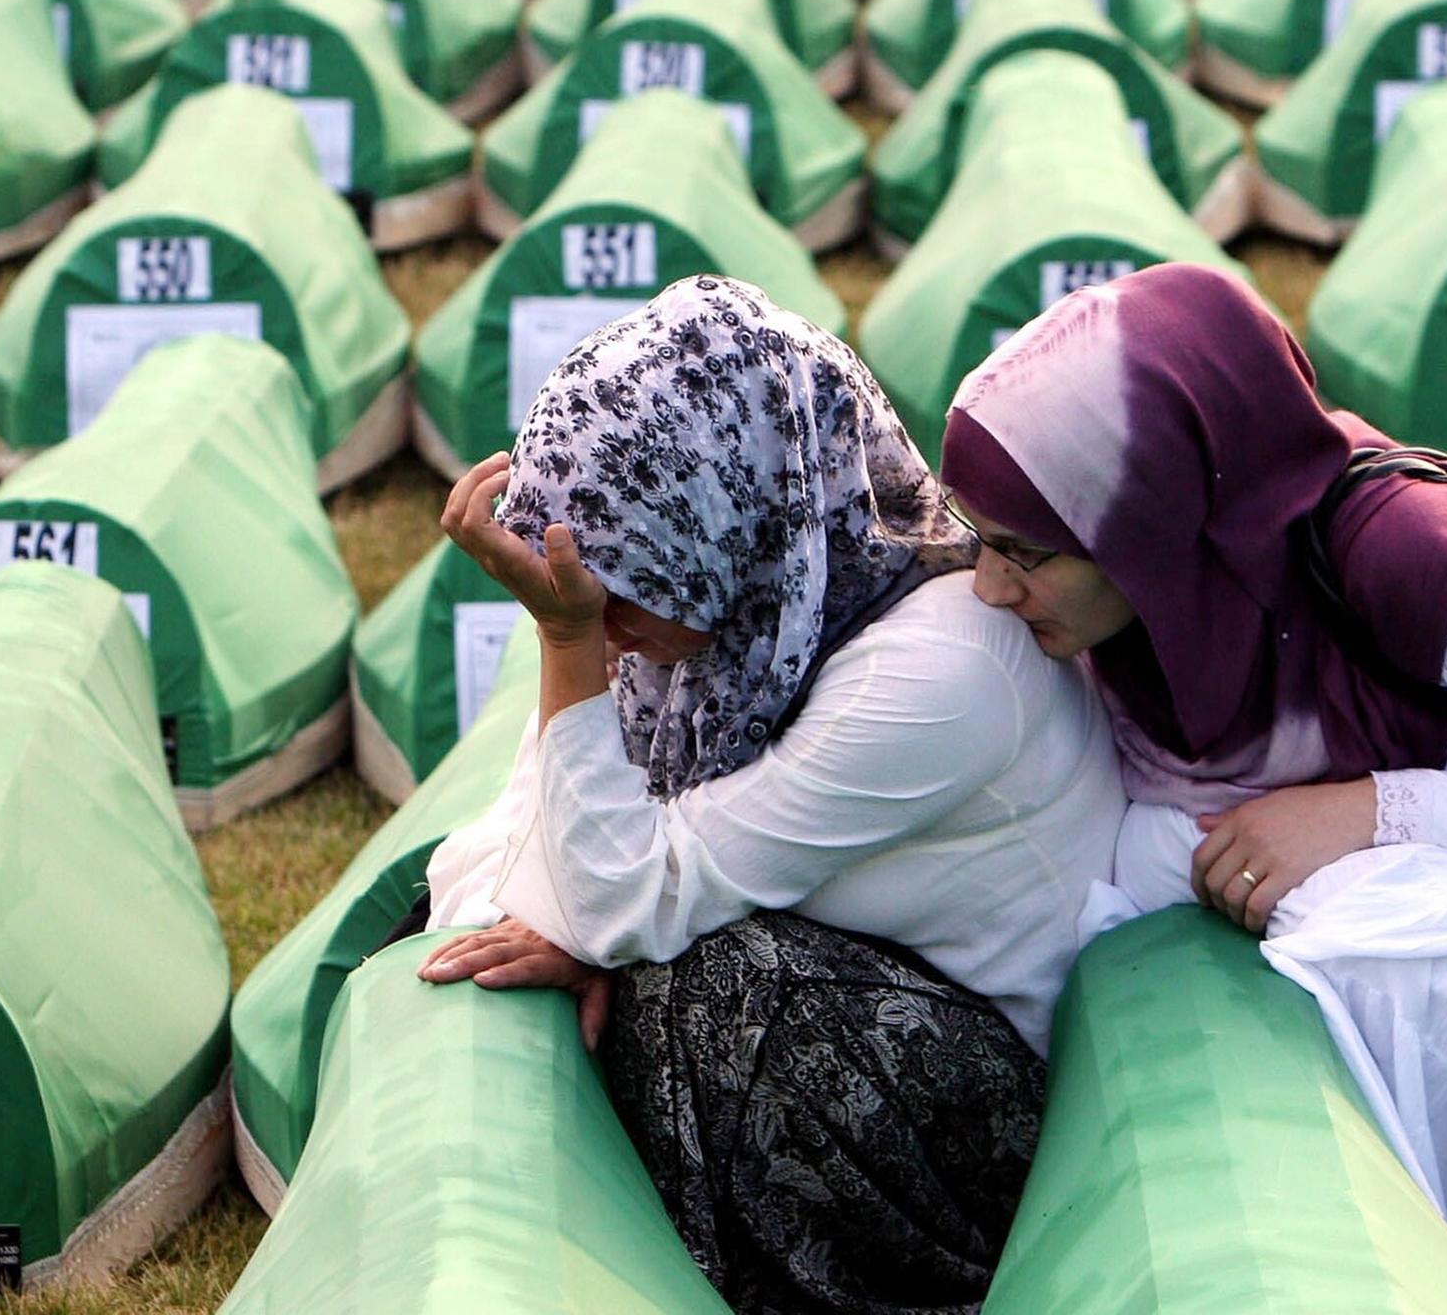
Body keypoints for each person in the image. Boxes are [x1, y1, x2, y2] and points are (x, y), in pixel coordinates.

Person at [417, 275, 1125, 1315]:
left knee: (718, 986)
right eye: (577, 585)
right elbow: (515, 847)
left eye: (620, 580)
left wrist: (564, 644)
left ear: (725, 515)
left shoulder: (938, 675)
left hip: (1006, 1116)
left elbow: (612, 901)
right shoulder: (735, 630)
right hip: (881, 1014)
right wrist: (590, 921)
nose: (600, 616)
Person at [939, 260, 1447, 1315]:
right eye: (980, 541)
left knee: (1392, 950)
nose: (989, 587)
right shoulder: (1151, 606)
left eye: (1026, 552)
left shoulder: (1416, 558)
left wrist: (1371, 810)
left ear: (1152, 515)